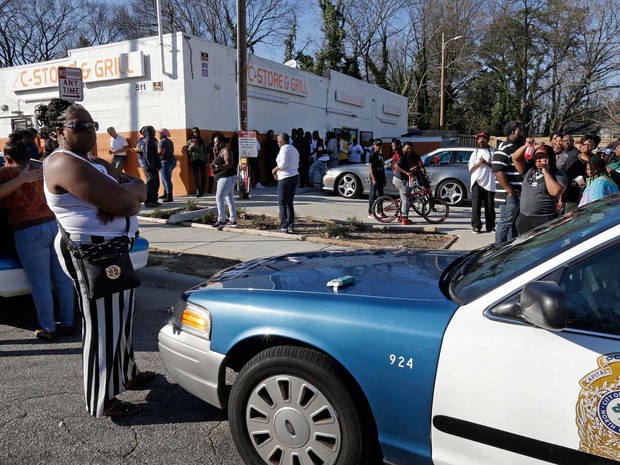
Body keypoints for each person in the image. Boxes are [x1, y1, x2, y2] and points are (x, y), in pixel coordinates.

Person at [38, 98, 153, 417]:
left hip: (114, 248)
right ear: (59, 131)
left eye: (93, 126)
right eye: (81, 126)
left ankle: (127, 375)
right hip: (92, 253)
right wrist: (122, 198)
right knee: (103, 325)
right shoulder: (62, 162)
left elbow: (140, 188)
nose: (90, 131)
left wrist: (123, 196)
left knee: (122, 318)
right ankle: (101, 398)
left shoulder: (93, 162)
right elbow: (130, 203)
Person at [0, 140, 75, 341]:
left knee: (40, 282)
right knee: (62, 278)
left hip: (28, 230)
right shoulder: (44, 168)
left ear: (8, 158)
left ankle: (48, 327)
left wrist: (20, 180)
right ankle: (68, 323)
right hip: (55, 226)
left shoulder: (7, 173)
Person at [513, 142, 567, 234]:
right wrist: (528, 146)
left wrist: (546, 171)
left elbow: (555, 192)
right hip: (524, 218)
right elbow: (515, 158)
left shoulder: (557, 174)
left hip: (544, 219)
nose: (538, 160)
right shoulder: (529, 170)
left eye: (542, 157)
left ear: (550, 158)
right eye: (536, 157)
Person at [492, 120, 525, 244]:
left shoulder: (518, 147)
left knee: (514, 224)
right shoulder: (503, 147)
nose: (522, 132)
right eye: (520, 130)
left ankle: (509, 249)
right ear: (513, 132)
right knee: (505, 223)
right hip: (510, 195)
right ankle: (498, 248)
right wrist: (510, 190)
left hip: (519, 193)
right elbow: (497, 170)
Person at [468, 131, 496, 233]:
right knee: (476, 205)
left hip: (490, 182)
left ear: (487, 140)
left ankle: (491, 226)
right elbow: (471, 169)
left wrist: (486, 163)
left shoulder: (493, 152)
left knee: (490, 206)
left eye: (483, 139)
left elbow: (496, 166)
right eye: (479, 139)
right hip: (477, 182)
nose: (481, 141)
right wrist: (479, 163)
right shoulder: (474, 153)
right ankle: (476, 225)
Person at [561, 134, 596, 212]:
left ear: (594, 147)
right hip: (571, 197)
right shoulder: (572, 159)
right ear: (581, 146)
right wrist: (561, 197)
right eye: (585, 144)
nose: (587, 146)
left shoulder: (596, 161)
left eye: (590, 145)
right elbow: (565, 178)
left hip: (589, 196)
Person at [272, 132, 299, 233]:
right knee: (289, 202)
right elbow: (296, 163)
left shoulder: (284, 148)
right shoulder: (294, 149)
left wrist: (275, 170)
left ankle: (284, 226)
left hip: (285, 178)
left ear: (283, 141)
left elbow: (283, 163)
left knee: (282, 202)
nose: (277, 143)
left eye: (278, 141)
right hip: (294, 175)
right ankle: (291, 226)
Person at [211, 135, 238, 228]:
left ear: (221, 142)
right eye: (214, 142)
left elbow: (229, 165)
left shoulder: (226, 150)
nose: (215, 144)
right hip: (225, 178)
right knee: (229, 199)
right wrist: (215, 154)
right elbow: (218, 162)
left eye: (216, 142)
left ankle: (221, 220)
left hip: (227, 177)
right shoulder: (221, 151)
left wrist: (217, 167)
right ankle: (232, 220)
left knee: (219, 198)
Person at [392, 141, 414, 225]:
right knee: (405, 198)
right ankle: (404, 218)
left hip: (402, 179)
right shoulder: (402, 156)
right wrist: (406, 172)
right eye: (407, 148)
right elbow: (396, 166)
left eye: (410, 149)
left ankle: (401, 217)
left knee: (404, 197)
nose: (409, 150)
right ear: (403, 148)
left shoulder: (406, 157)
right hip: (399, 179)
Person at [142, 126, 162, 207]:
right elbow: (148, 156)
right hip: (151, 168)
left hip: (155, 167)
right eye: (153, 130)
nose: (154, 132)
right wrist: (153, 167)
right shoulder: (148, 142)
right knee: (150, 184)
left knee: (156, 184)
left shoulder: (152, 141)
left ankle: (154, 200)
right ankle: (148, 201)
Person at [368, 139, 386, 218]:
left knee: (381, 194)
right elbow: (371, 168)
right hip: (375, 176)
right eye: (377, 145)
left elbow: (383, 167)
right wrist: (373, 178)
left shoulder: (381, 155)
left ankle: (380, 211)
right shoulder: (372, 155)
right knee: (373, 194)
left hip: (381, 176)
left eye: (380, 145)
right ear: (374, 145)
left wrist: (384, 178)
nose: (378, 147)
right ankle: (370, 212)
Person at [187, 127, 207, 197]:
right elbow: (187, 151)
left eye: (197, 132)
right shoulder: (190, 141)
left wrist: (206, 160)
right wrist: (190, 147)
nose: (195, 133)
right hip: (194, 160)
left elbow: (205, 151)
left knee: (203, 175)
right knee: (196, 176)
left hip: (202, 159)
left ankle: (202, 190)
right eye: (194, 132)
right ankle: (198, 190)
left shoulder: (202, 141)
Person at [158, 128, 176, 202]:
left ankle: (169, 196)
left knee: (166, 179)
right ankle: (166, 193)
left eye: (159, 133)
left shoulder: (162, 142)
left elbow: (160, 153)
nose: (158, 134)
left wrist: (155, 160)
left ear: (162, 134)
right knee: (164, 178)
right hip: (172, 161)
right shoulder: (170, 141)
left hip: (165, 162)